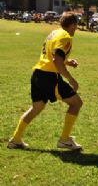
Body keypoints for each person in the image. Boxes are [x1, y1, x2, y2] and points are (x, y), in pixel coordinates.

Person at [8, 12, 83, 150]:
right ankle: (64, 140)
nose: (76, 28)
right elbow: (56, 60)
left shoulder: (54, 33)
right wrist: (71, 79)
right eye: (76, 25)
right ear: (72, 25)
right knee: (76, 103)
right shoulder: (66, 36)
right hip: (49, 76)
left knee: (36, 107)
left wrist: (67, 62)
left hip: (37, 74)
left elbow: (51, 56)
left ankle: (16, 139)